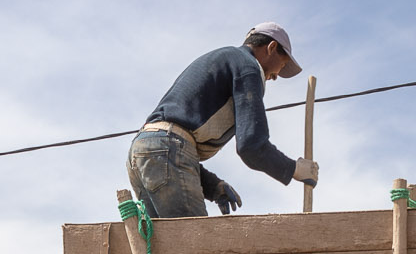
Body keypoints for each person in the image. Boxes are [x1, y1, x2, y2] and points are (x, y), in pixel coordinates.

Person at [126, 22, 316, 221]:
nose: (276, 76)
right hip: (163, 151)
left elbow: (169, 144)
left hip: (142, 151)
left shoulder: (228, 60)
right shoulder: (248, 67)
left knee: (168, 250)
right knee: (197, 248)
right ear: (271, 48)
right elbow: (251, 147)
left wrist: (212, 185)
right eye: (282, 65)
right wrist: (294, 169)